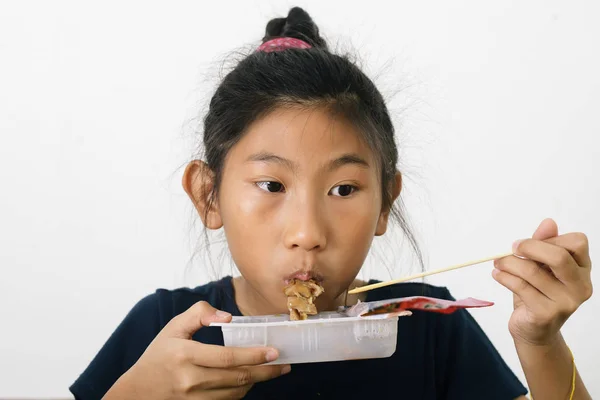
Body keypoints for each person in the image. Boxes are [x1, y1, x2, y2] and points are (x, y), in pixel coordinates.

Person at [70, 7, 593, 400]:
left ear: (386, 203)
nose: (307, 231)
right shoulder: (165, 330)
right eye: (272, 186)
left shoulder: (431, 327)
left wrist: (541, 342)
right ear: (209, 196)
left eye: (344, 189)